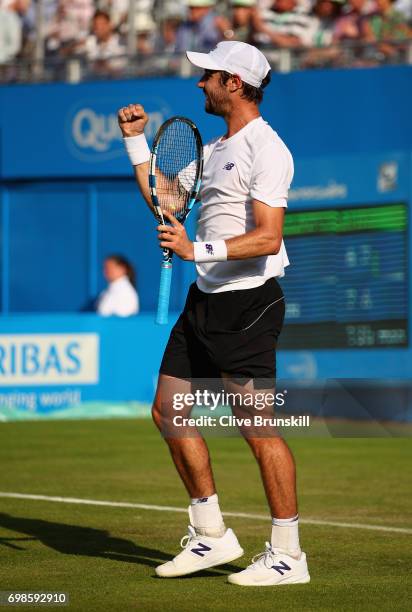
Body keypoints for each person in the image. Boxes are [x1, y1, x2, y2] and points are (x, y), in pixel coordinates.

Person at [117, 40, 310, 587]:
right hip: (204, 300)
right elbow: (165, 200)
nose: (198, 83)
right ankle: (212, 535)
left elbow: (270, 238)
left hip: (247, 305)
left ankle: (288, 555)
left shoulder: (267, 149)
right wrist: (135, 142)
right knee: (168, 411)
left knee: (258, 430)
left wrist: (195, 251)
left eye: (208, 76)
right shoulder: (218, 148)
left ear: (235, 83)